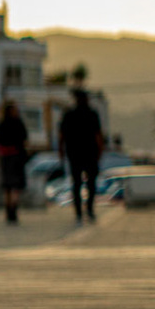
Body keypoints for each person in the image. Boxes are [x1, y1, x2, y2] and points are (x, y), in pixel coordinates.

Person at [59, 86, 104, 225]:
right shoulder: (91, 114)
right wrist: (100, 151)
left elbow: (61, 136)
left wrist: (61, 151)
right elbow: (98, 136)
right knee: (90, 184)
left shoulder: (69, 115)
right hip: (88, 154)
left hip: (75, 154)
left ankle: (79, 212)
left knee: (77, 184)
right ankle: (88, 210)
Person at [0, 99, 29, 225]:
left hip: (5, 157)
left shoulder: (2, 124)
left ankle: (8, 211)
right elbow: (25, 139)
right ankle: (13, 212)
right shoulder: (18, 123)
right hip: (16, 156)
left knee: (7, 187)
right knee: (15, 186)